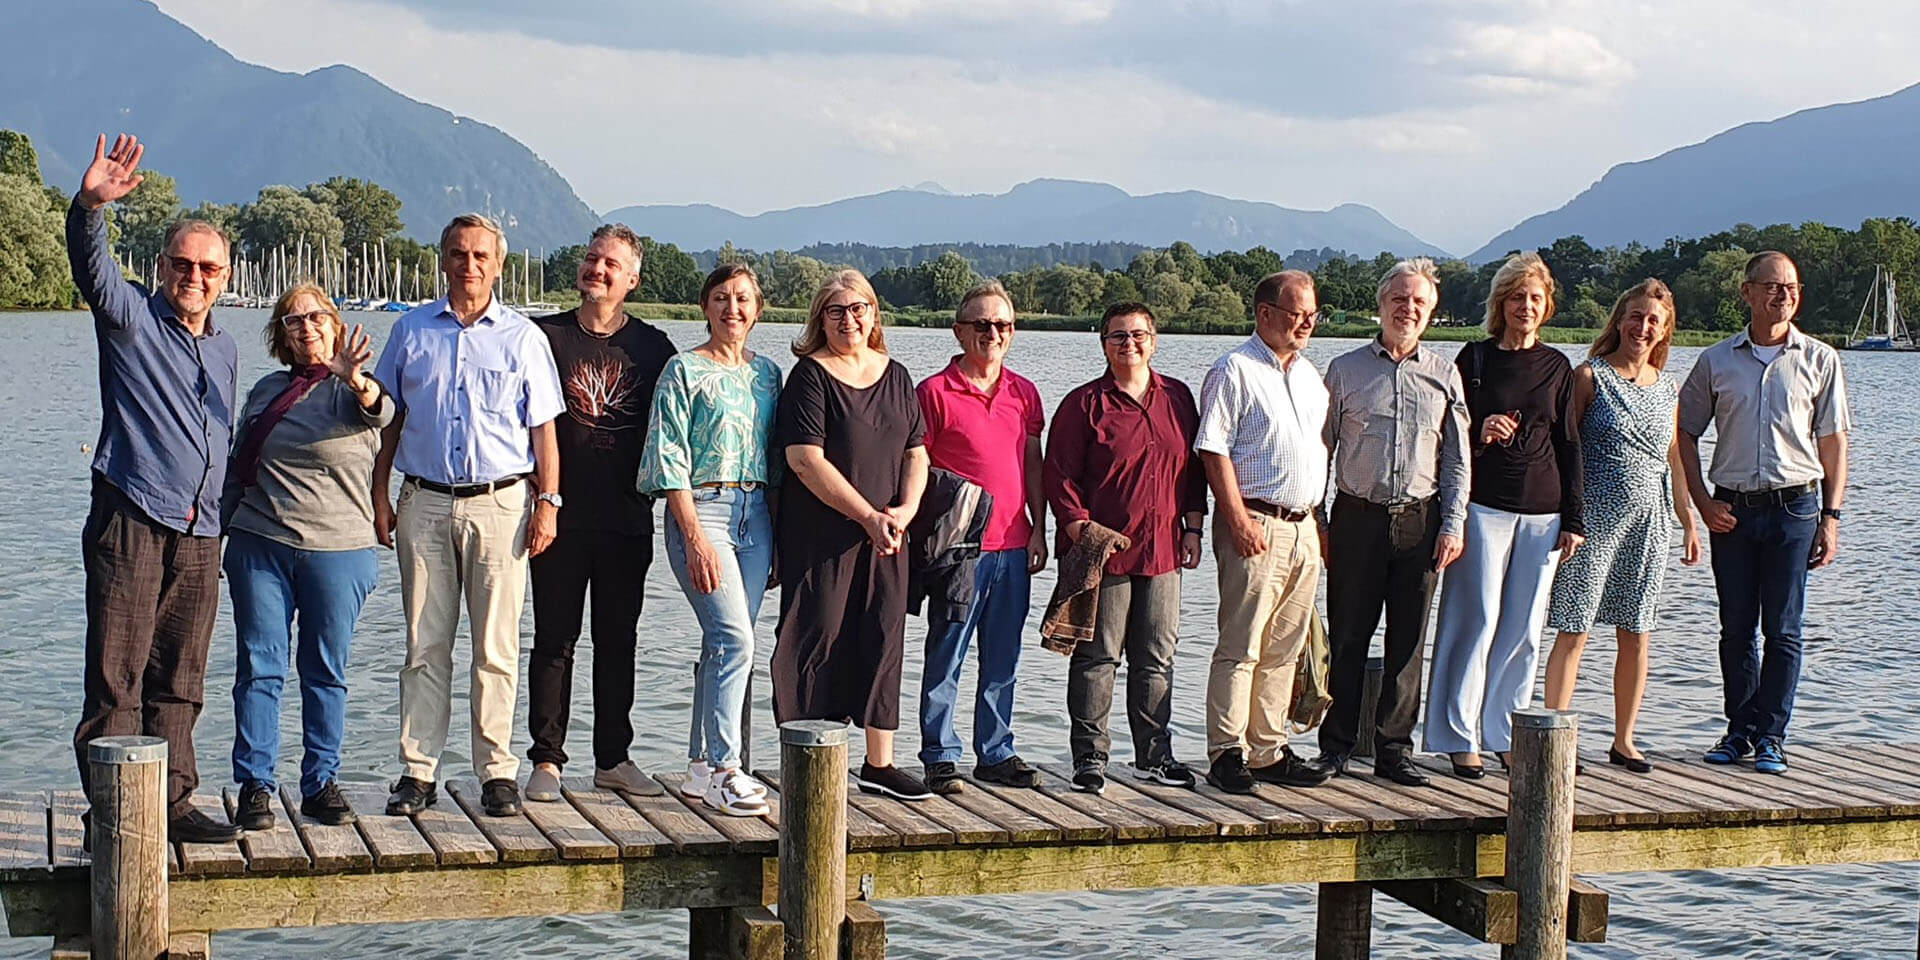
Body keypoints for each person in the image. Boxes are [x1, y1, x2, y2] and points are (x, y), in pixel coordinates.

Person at [67, 133, 243, 844]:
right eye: (182, 264)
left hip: (203, 532)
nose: (194, 277)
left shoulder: (227, 348)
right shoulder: (132, 318)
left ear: (226, 276)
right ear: (162, 266)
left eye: (208, 267)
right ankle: (113, 810)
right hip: (132, 514)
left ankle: (170, 802)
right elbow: (92, 268)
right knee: (118, 672)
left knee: (182, 676)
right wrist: (89, 206)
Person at [372, 213, 565, 818]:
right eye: (459, 253)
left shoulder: (523, 338)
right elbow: (389, 420)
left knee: (495, 646)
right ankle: (418, 772)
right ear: (444, 259)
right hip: (423, 500)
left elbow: (544, 432)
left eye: (482, 255)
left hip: (502, 501)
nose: (470, 265)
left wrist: (549, 503)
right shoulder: (409, 332)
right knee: (423, 644)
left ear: (499, 265)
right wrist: (380, 494)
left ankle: (496, 771)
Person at [222, 285, 391, 829]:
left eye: (317, 317)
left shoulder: (351, 392)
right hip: (259, 543)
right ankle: (255, 785)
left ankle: (320, 782)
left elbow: (381, 412)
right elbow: (236, 462)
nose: (306, 327)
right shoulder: (266, 390)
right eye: (293, 321)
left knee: (325, 670)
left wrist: (354, 377)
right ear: (281, 336)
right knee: (258, 668)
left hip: (337, 551)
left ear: (336, 325)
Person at [1679, 251, 1850, 775]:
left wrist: (1832, 515)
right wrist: (1702, 504)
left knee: (1784, 629)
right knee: (1736, 629)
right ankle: (1739, 731)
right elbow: (1683, 432)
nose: (1784, 296)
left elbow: (1834, 442)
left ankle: (1773, 734)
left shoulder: (1820, 359)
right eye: (1773, 287)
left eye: (1792, 288)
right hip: (1731, 509)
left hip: (1795, 508)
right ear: (1748, 293)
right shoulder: (1716, 360)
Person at [524, 225, 676, 805]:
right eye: (591, 259)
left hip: (626, 519)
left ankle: (613, 758)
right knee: (553, 639)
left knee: (619, 642)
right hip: (557, 516)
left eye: (612, 264)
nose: (599, 270)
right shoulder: (543, 337)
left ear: (632, 279)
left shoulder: (654, 348)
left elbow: (675, 426)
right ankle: (546, 759)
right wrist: (540, 498)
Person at [1304, 259, 1469, 789]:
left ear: (1431, 312)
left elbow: (1457, 458)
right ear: (1381, 305)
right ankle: (1335, 748)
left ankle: (1395, 748)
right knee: (1348, 638)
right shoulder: (1345, 370)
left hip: (1421, 521)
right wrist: (1319, 519)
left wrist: (1454, 523)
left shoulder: (1444, 374)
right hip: (1357, 518)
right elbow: (1319, 452)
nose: (1408, 308)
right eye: (1400, 299)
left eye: (1419, 302)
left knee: (1408, 641)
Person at [1423, 252, 1585, 779]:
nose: (1526, 306)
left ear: (1547, 306)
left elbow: (1569, 442)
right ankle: (1459, 734)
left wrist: (1574, 518)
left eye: (1535, 298)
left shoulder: (1558, 367)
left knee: (1524, 630)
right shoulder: (1473, 360)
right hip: (1483, 506)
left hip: (1544, 514)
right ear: (1501, 304)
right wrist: (1480, 431)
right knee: (1475, 620)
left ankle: (1504, 733)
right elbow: (1447, 438)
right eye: (1517, 297)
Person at [774, 270, 933, 802]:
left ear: (874, 314)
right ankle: (811, 760)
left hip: (888, 537)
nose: (850, 320)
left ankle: (879, 763)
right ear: (820, 318)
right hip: (823, 536)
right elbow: (803, 459)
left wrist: (904, 512)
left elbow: (917, 452)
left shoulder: (898, 375)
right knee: (816, 636)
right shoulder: (810, 377)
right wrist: (867, 515)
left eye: (859, 308)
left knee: (884, 638)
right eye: (837, 311)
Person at [1044, 302, 1207, 795]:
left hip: (1164, 553)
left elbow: (1194, 471)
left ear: (1154, 340)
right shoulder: (1083, 404)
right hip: (1105, 555)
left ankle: (1153, 756)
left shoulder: (1177, 397)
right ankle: (1090, 758)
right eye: (1118, 336)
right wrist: (1081, 532)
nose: (1129, 343)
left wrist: (1194, 528)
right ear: (1103, 343)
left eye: (1138, 335)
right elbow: (1059, 475)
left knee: (1157, 656)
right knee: (1098, 657)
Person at [640, 263, 783, 816]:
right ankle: (729, 767)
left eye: (743, 299)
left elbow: (776, 454)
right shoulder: (682, 371)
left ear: (758, 309)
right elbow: (668, 458)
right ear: (705, 306)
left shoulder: (768, 374)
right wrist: (694, 535)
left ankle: (699, 767)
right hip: (702, 510)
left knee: (726, 643)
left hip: (756, 515)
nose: (733, 309)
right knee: (735, 640)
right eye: (721, 298)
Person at [1543, 280, 1702, 774]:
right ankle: (1555, 734)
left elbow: (1674, 458)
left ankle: (1625, 739)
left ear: (1664, 329)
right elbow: (1563, 448)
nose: (1643, 327)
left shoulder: (1668, 387)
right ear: (1619, 320)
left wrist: (1688, 519)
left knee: (1637, 630)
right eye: (1635, 317)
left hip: (1649, 523)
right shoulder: (1589, 376)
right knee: (1575, 627)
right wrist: (1567, 516)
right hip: (1594, 519)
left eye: (1653, 320)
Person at [1194, 270, 1334, 794]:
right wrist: (1235, 519)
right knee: (1241, 644)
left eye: (1311, 314)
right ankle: (1226, 751)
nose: (1305, 323)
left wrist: (1317, 526)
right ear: (1265, 313)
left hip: (1302, 526)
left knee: (1285, 646)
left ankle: (1267, 749)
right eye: (1296, 312)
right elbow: (1213, 449)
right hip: (1254, 522)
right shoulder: (1234, 369)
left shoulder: (1309, 375)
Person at [915, 281, 1048, 793]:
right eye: (982, 325)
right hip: (959, 548)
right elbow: (917, 466)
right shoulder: (933, 392)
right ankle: (939, 753)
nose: (992, 333)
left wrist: (1040, 527)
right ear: (960, 331)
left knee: (1003, 654)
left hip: (1014, 545)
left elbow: (1031, 463)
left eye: (1003, 325)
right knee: (946, 650)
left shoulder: (1024, 393)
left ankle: (995, 751)